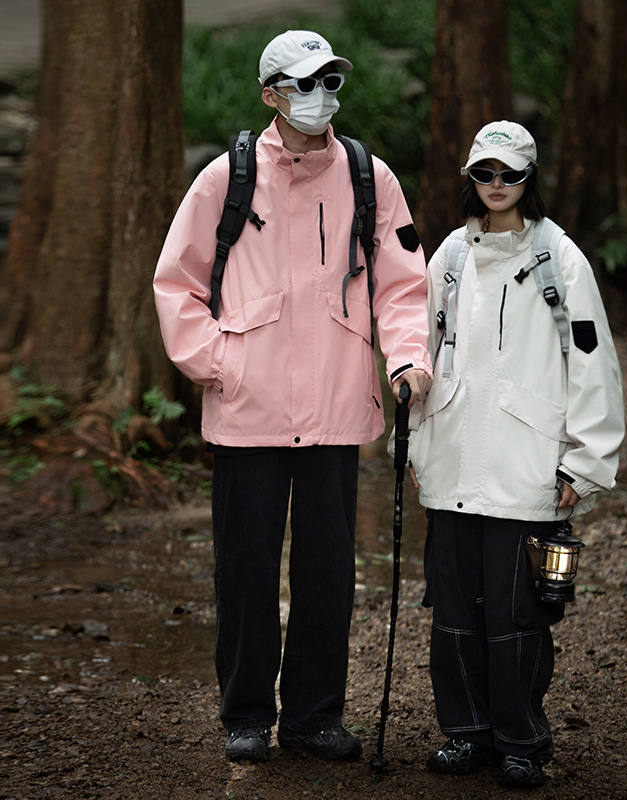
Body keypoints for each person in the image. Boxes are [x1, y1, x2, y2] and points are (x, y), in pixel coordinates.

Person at [153, 30, 432, 764]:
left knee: (327, 574)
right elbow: (177, 284)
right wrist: (220, 364)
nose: (321, 96)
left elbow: (403, 284)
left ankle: (314, 717)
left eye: (331, 81)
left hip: (337, 409)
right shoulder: (226, 178)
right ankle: (246, 715)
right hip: (248, 410)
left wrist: (407, 358)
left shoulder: (371, 177)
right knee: (245, 572)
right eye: (306, 83)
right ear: (270, 93)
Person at [407, 121, 624, 788]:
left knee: (518, 616)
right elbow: (420, 348)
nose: (496, 185)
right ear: (470, 177)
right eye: (485, 173)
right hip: (450, 459)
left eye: (510, 174)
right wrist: (410, 442)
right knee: (454, 613)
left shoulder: (561, 258)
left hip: (526, 465)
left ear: (529, 178)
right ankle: (465, 734)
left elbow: (592, 365)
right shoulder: (450, 255)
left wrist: (585, 463)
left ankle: (522, 741)